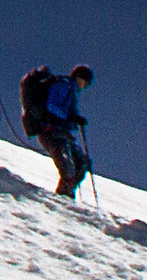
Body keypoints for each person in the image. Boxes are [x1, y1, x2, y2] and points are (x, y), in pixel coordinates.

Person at [20, 64, 93, 196]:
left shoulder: (72, 90)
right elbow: (51, 105)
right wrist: (71, 117)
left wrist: (74, 120)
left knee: (82, 163)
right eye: (85, 82)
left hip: (61, 133)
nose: (85, 86)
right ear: (79, 78)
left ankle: (67, 194)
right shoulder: (63, 85)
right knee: (69, 170)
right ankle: (63, 198)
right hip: (50, 131)